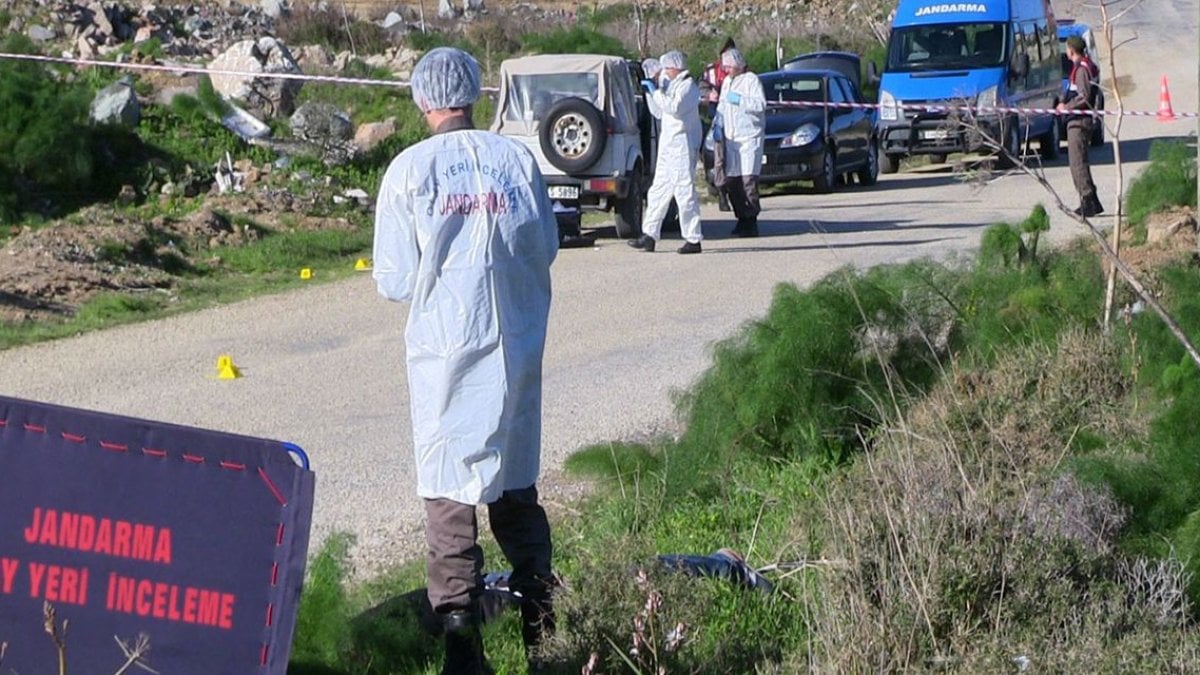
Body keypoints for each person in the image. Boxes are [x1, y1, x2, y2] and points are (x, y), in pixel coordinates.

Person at [372, 47, 560, 675]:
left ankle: (463, 651)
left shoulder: (408, 171)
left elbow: (394, 279)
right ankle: (545, 638)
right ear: (474, 92)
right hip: (515, 345)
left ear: (423, 99)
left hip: (445, 357)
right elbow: (546, 246)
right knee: (515, 490)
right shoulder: (516, 160)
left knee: (450, 498)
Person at [629, 50, 704, 254]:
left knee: (684, 192)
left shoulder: (688, 87)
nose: (663, 72)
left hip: (681, 144)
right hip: (668, 144)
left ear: (675, 67)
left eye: (666, 68)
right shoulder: (670, 85)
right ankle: (650, 234)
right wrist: (651, 93)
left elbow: (674, 107)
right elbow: (659, 112)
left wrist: (656, 92)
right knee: (658, 191)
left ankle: (693, 238)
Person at [713, 48, 766, 237]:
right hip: (731, 138)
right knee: (733, 181)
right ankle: (741, 218)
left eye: (728, 66)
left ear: (737, 64)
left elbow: (760, 105)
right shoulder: (727, 82)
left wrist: (737, 99)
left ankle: (751, 220)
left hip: (749, 137)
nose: (726, 70)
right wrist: (717, 125)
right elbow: (722, 105)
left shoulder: (751, 80)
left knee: (748, 180)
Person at [1057, 35, 1104, 217]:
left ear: (1071, 50)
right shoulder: (1080, 68)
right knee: (1077, 162)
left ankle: (1088, 200)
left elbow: (1083, 96)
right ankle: (1091, 200)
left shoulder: (1082, 69)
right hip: (1075, 120)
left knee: (1077, 163)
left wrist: (1066, 107)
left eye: (1067, 48)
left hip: (1079, 121)